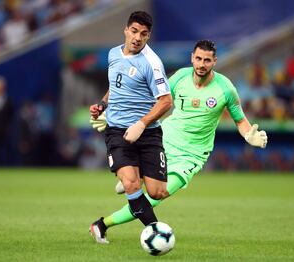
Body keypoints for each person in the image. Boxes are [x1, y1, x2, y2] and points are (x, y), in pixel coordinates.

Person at [89, 40, 268, 244]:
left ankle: (103, 223)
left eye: (207, 60)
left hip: (192, 155)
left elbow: (240, 120)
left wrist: (248, 135)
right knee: (144, 189)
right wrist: (115, 113)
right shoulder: (181, 76)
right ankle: (135, 182)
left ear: (214, 62)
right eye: (198, 59)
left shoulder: (226, 88)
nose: (201, 64)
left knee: (158, 195)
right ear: (192, 57)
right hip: (164, 139)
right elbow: (153, 99)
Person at [88, 11, 172, 244]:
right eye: (134, 31)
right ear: (126, 30)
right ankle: (156, 232)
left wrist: (141, 123)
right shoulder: (113, 54)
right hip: (117, 131)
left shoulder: (152, 63)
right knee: (131, 184)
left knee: (157, 192)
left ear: (148, 36)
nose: (137, 38)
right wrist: (103, 104)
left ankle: (135, 176)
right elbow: (116, 86)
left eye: (143, 34)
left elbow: (166, 101)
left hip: (149, 132)